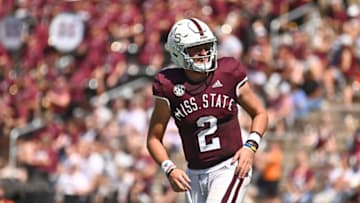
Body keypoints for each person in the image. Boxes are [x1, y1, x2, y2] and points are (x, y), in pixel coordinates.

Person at [146, 18, 268, 203]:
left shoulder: (228, 72)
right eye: (196, 48)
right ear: (178, 52)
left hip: (230, 166)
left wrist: (250, 146)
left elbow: (260, 113)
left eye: (206, 46)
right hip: (193, 174)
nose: (204, 53)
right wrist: (169, 168)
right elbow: (154, 139)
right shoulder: (168, 85)